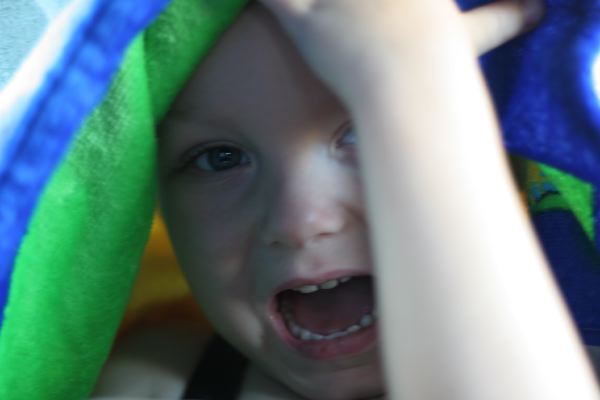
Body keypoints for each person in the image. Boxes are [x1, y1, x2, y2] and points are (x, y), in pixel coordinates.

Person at [94, 1, 600, 399]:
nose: (300, 221)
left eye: (362, 130)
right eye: (219, 158)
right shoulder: (157, 378)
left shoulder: (584, 361)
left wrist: (413, 81)